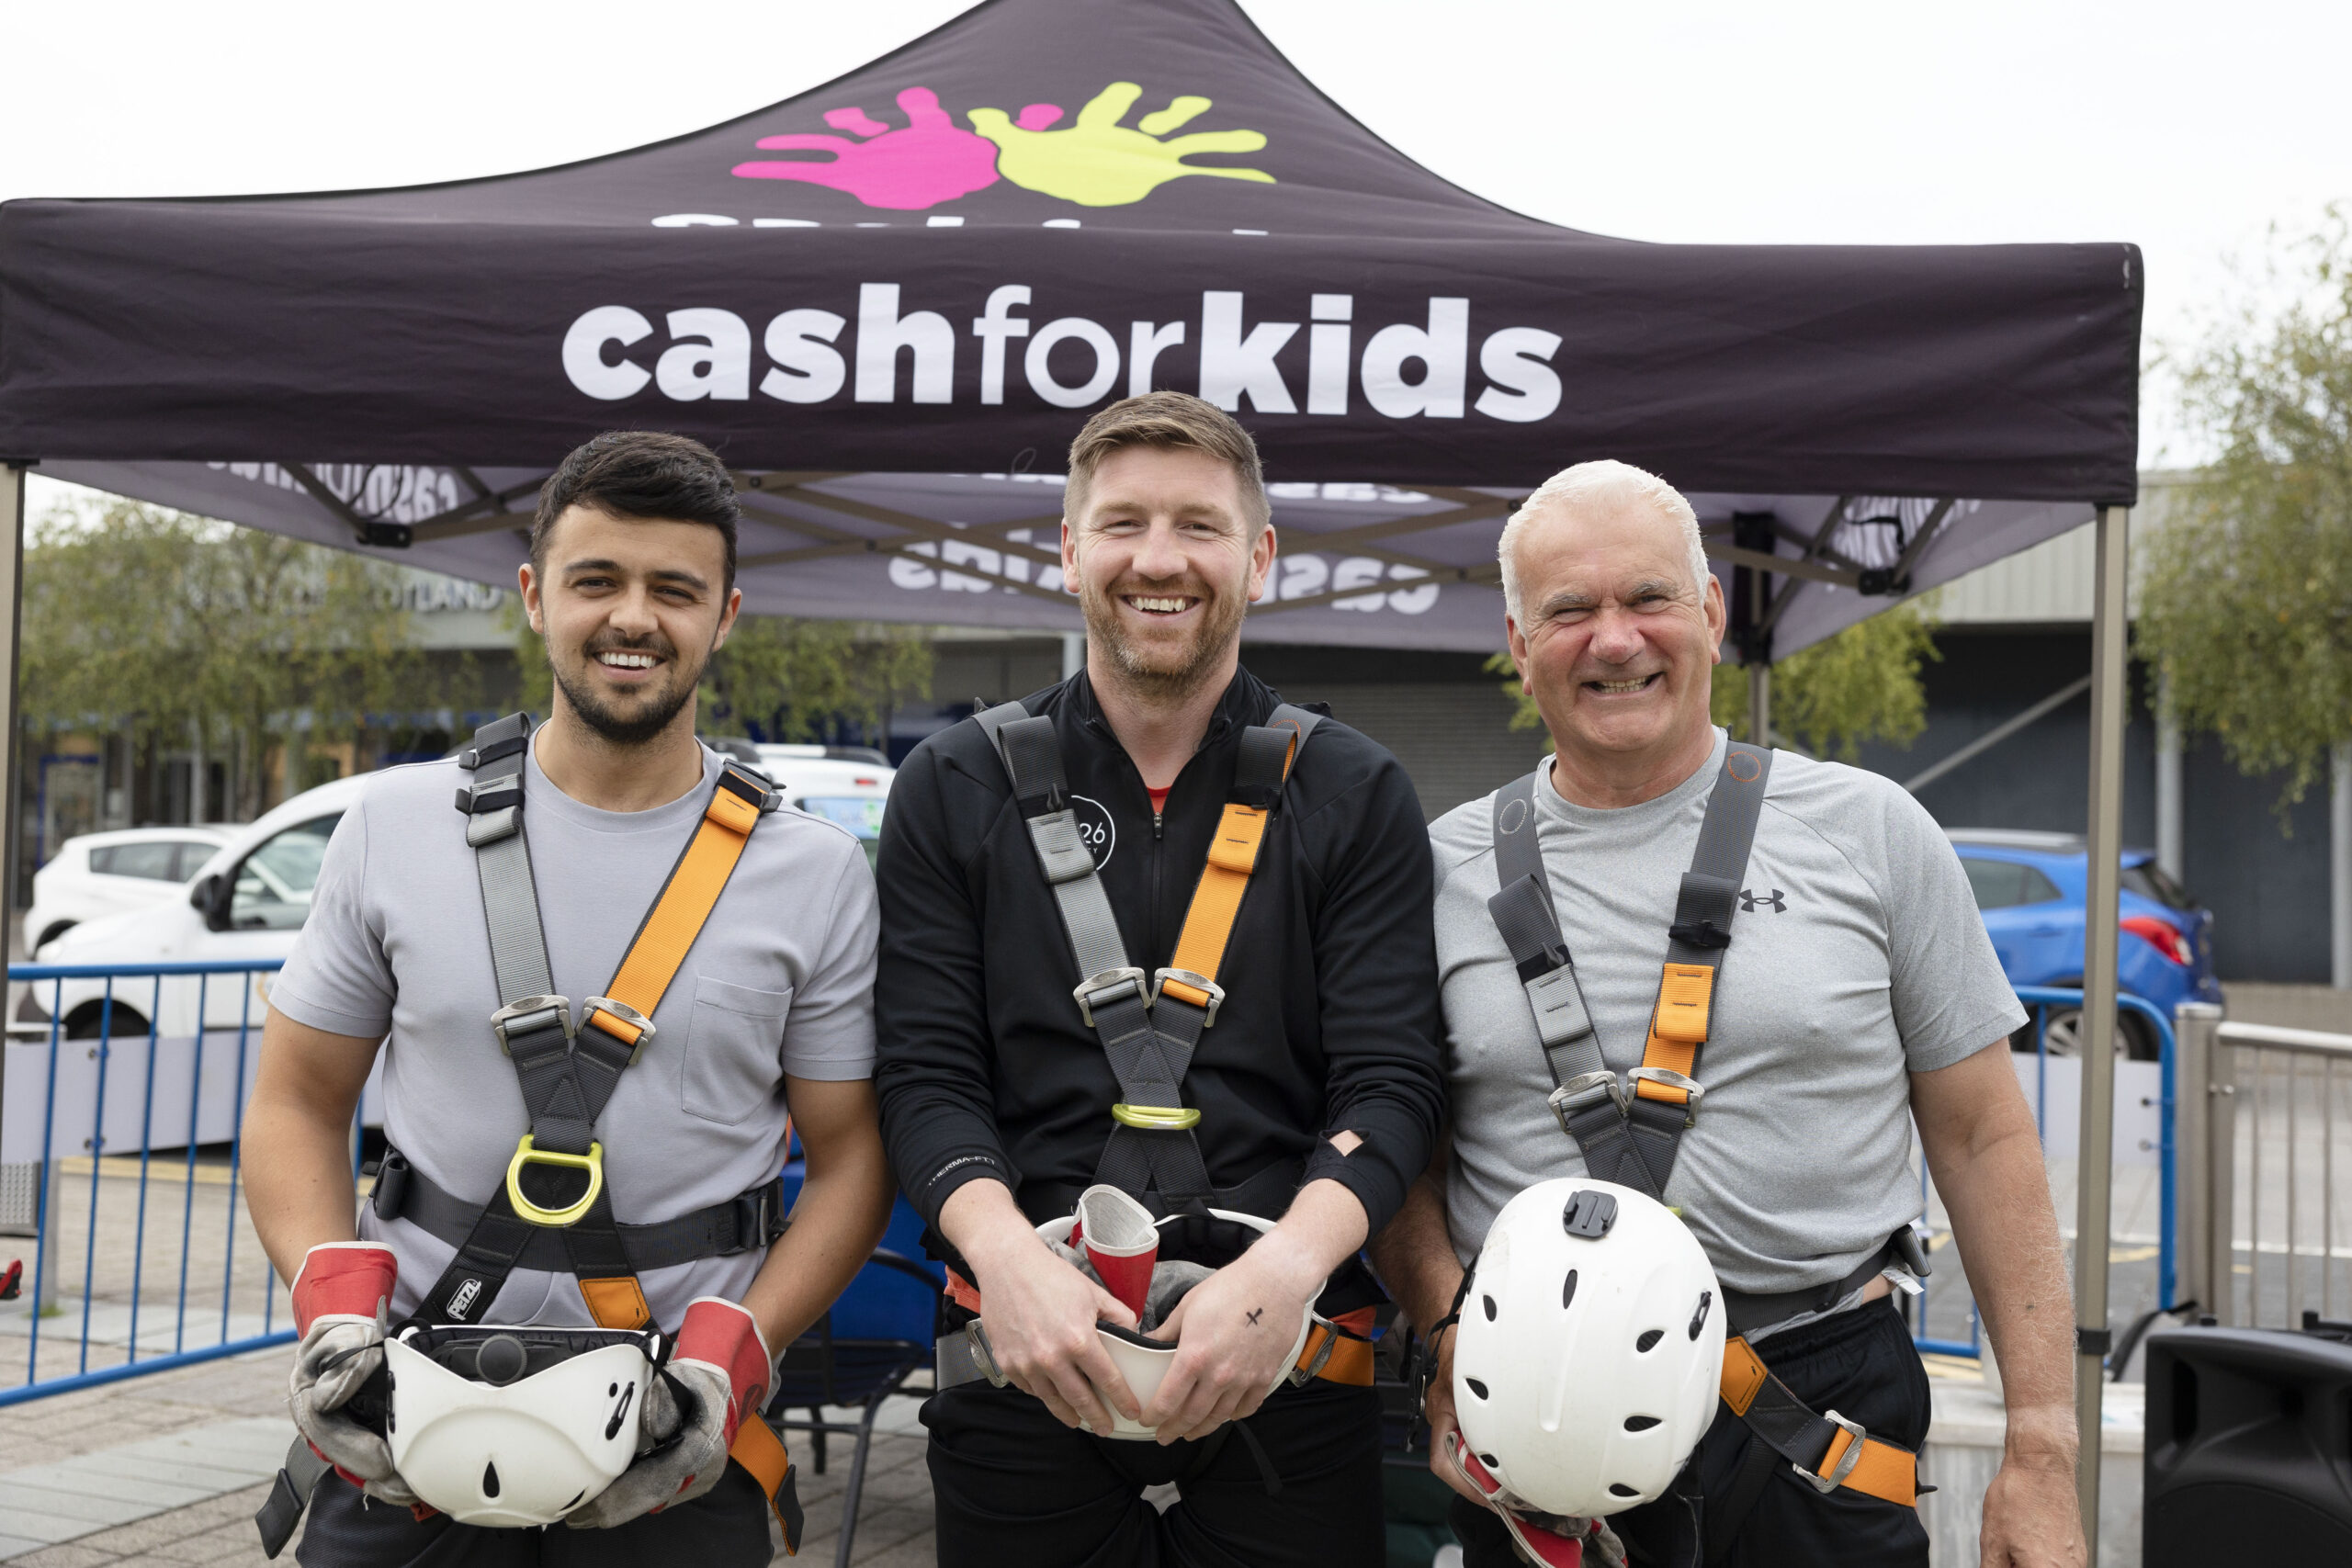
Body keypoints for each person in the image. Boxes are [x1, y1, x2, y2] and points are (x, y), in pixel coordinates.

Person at [1371, 460, 2086, 1568]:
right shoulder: (1434, 873)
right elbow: (1397, 1153)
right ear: (1518, 646)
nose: (1614, 639)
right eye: (1569, 610)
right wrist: (1447, 1331)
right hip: (1534, 1424)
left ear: (1708, 612)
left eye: (1648, 598)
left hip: (1817, 1419)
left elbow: (1984, 1134)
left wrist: (2041, 1446)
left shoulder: (1871, 833)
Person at [244, 430, 893, 1566]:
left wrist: (735, 1351)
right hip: (402, 1431)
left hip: (674, 1444)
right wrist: (331, 1310)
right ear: (537, 598)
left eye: (673, 590)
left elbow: (849, 1159)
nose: (633, 617)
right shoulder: (389, 828)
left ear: (725, 615)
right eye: (597, 581)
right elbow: (297, 1099)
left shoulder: (815, 873)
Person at [874, 391, 1446, 1567]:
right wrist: (1009, 1263)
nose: (1159, 559)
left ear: (1260, 556)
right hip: (1020, 1361)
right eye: (1124, 523)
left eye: (1198, 524)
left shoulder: (1353, 790)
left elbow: (1390, 1084)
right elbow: (926, 1077)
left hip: (1286, 1364)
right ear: (1070, 551)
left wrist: (1284, 1277)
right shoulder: (952, 784)